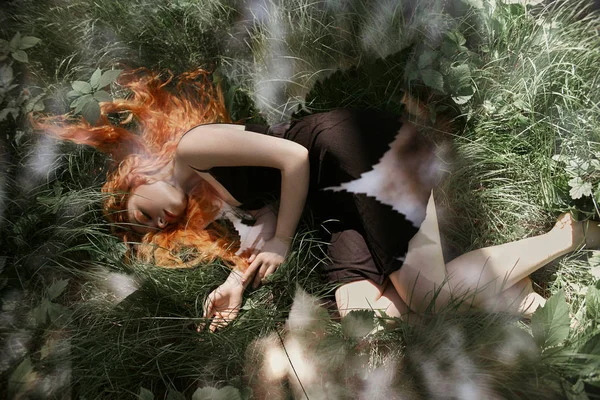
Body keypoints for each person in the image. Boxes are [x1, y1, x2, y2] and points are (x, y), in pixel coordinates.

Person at [39, 69, 600, 331]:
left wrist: (282, 238)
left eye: (142, 214)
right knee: (366, 320)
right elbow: (264, 231)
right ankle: (509, 290)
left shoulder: (190, 149)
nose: (159, 221)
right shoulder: (211, 198)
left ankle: (567, 236)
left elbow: (296, 159)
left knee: (426, 302)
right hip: (339, 207)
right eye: (153, 232)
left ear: (137, 176)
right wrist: (236, 282)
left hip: (359, 153)